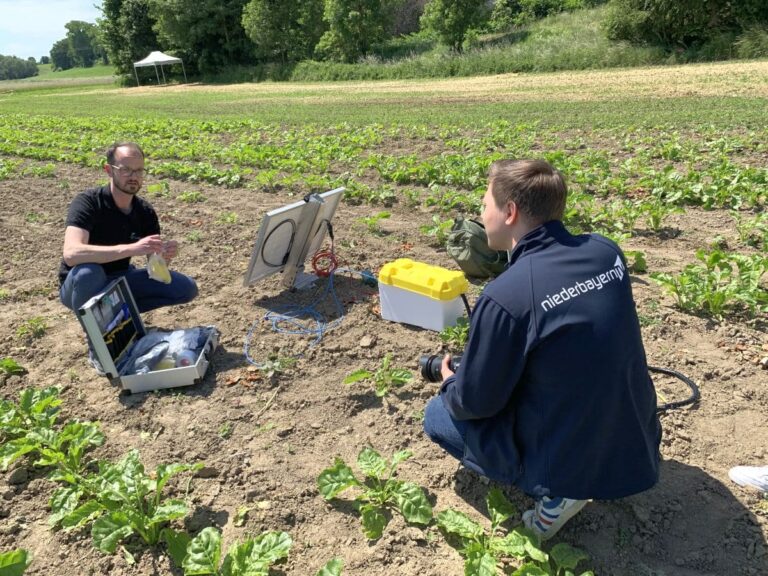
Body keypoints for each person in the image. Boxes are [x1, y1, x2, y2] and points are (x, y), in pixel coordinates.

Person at [423, 159, 661, 541]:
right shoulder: (605, 251)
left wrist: (452, 381)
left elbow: (477, 402)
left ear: (510, 212)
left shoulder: (507, 295)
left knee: (438, 415)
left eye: (485, 204)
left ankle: (555, 494)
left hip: (570, 457)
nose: (481, 214)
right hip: (635, 434)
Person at [59, 142, 198, 368]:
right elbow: (72, 254)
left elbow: (155, 267)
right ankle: (99, 347)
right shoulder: (88, 202)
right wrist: (132, 248)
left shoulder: (144, 211)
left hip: (120, 281)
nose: (133, 176)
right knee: (88, 272)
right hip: (78, 286)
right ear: (108, 170)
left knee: (186, 288)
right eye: (126, 170)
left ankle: (123, 320)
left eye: (139, 170)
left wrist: (163, 255)